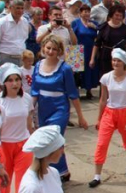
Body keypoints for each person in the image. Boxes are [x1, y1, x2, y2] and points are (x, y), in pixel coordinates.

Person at [31, 35, 89, 181]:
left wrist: (80, 117)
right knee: (45, 139)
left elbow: (73, 94)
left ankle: (56, 171)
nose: (50, 51)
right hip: (43, 107)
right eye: (48, 48)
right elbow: (34, 90)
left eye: (54, 49)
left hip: (59, 107)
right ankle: (57, 170)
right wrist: (29, 111)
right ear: (43, 48)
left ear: (59, 51)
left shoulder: (65, 68)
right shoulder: (38, 66)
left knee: (54, 138)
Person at [90, 49, 126, 187]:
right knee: (102, 143)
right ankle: (97, 175)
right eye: (114, 60)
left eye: (118, 61)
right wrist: (99, 118)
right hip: (109, 113)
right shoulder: (106, 77)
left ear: (124, 63)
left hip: (125, 111)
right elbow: (103, 99)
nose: (115, 63)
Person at [0, 63, 34, 193]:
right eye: (10, 80)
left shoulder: (26, 98)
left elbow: (29, 122)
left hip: (23, 145)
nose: (14, 83)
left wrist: (33, 138)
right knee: (4, 179)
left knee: (22, 184)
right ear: (4, 83)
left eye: (17, 79)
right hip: (4, 145)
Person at [92, 4, 126, 75]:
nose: (118, 17)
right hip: (106, 55)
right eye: (116, 15)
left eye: (120, 16)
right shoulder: (104, 27)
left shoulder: (125, 28)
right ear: (111, 15)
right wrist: (92, 59)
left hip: (120, 56)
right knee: (105, 76)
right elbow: (97, 44)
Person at [71, 4, 100, 100]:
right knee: (77, 72)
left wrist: (95, 28)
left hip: (90, 49)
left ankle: (89, 91)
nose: (87, 13)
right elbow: (72, 35)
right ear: (80, 13)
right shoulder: (75, 23)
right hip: (77, 50)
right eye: (85, 11)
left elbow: (99, 36)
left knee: (89, 70)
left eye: (88, 11)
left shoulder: (94, 23)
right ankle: (76, 92)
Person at [0, 0, 30, 67]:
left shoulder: (25, 21)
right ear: (10, 8)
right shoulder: (2, 22)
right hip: (6, 56)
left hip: (21, 57)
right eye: (17, 8)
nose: (20, 11)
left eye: (22, 8)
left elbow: (24, 38)